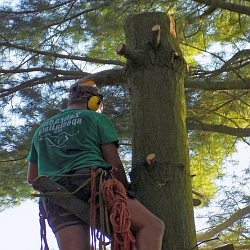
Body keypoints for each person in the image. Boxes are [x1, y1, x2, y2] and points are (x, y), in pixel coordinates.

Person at [27, 82, 165, 250]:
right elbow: (114, 163)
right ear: (95, 102)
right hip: (91, 183)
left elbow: (32, 178)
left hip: (53, 194)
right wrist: (124, 191)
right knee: (152, 226)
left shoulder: (40, 130)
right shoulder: (96, 118)